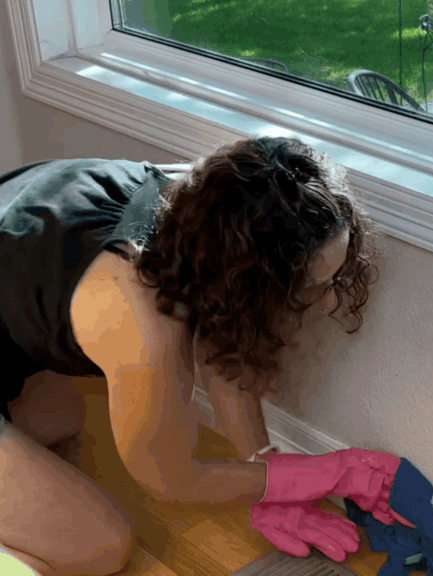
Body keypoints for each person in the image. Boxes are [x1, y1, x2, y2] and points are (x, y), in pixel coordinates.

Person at [0, 136, 390, 575]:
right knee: (99, 545)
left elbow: (224, 345)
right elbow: (169, 476)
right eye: (312, 289)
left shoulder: (199, 201)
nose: (326, 304)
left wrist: (266, 474)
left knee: (63, 417)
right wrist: (329, 473)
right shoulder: (139, 319)